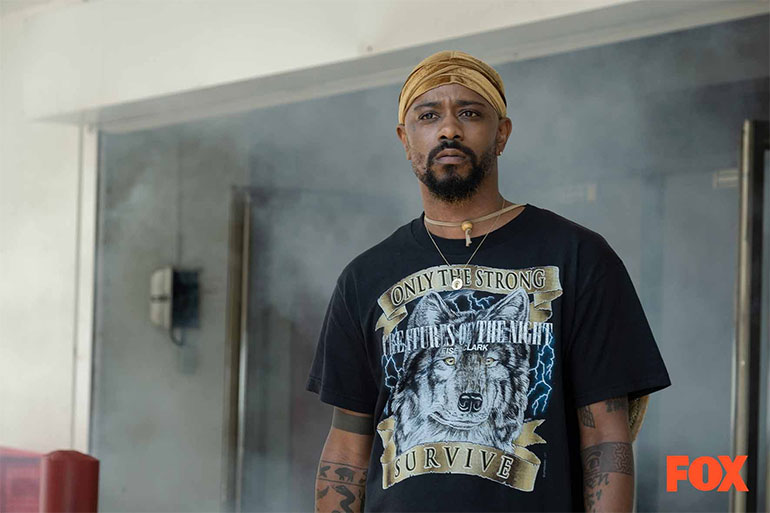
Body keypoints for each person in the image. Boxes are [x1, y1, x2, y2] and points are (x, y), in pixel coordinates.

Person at [306, 50, 671, 513]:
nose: (449, 130)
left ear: (502, 134)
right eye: (429, 115)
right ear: (405, 139)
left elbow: (605, 437)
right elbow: (346, 446)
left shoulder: (579, 257)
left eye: (470, 113)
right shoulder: (364, 277)